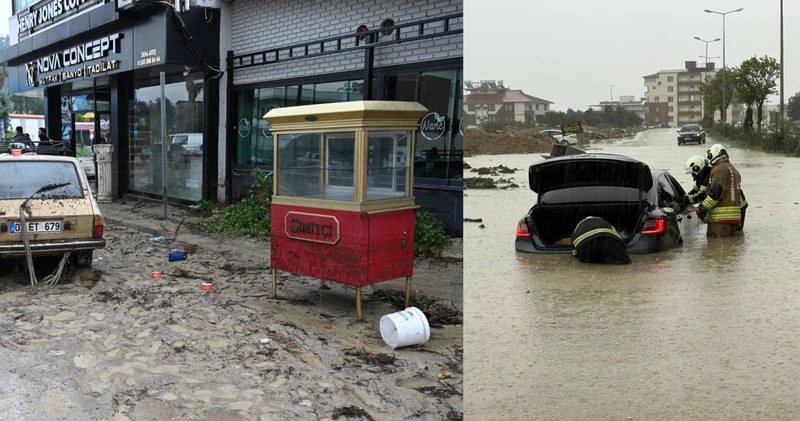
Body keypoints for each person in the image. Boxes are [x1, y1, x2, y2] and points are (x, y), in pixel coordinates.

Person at [697, 144, 742, 238]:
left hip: (719, 222)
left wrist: (702, 208)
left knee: (716, 249)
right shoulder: (734, 170)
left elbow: (715, 194)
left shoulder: (719, 169)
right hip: (735, 220)